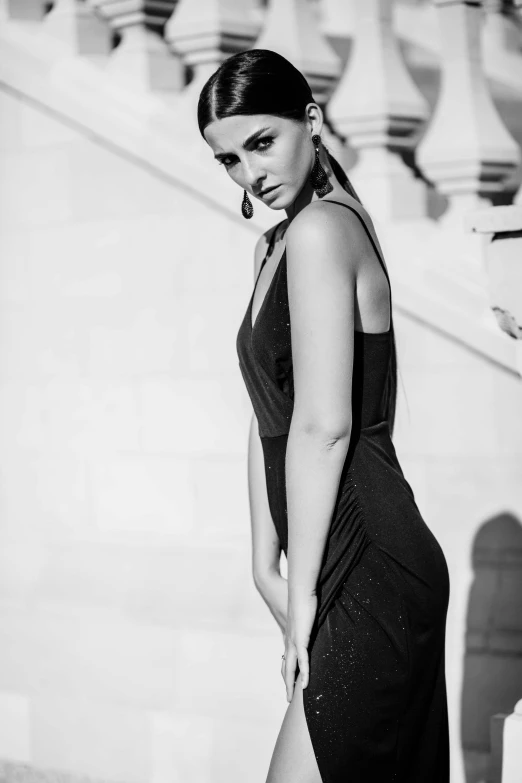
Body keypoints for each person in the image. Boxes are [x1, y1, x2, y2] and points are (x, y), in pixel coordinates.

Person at [197, 49, 450, 783]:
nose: (251, 173)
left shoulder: (322, 232)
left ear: (311, 120)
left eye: (262, 142)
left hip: (369, 559)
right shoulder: (273, 246)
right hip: (330, 554)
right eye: (230, 160)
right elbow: (267, 410)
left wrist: (301, 591)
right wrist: (259, 558)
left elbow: (324, 426)